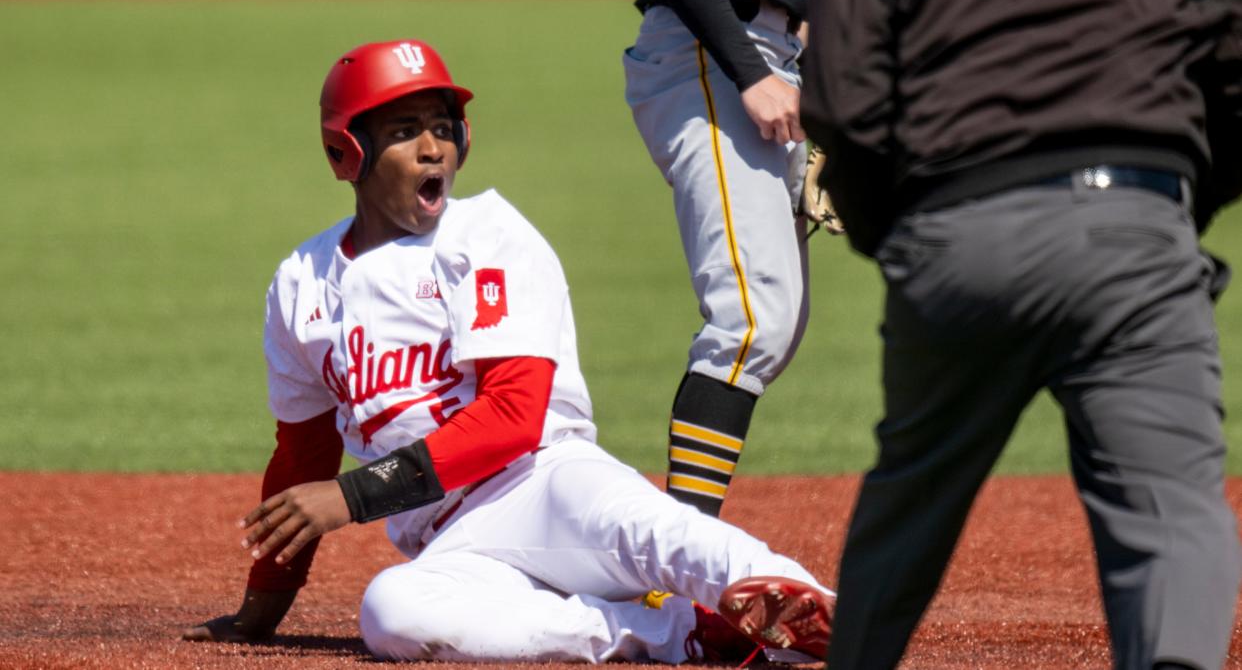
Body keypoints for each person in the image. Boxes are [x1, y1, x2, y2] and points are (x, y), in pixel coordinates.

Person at [179, 38, 835, 663]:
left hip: (546, 480)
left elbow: (514, 415)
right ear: (346, 154)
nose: (434, 147)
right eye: (405, 131)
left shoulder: (487, 232)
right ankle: (674, 632)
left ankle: (812, 605)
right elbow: (303, 457)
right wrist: (257, 613)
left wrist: (352, 495)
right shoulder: (301, 281)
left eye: (443, 126)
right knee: (391, 613)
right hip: (453, 544)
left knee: (652, 529)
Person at [799, 0, 1242, 667]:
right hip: (1136, 231)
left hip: (959, 234)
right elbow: (1233, 66)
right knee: (1172, 513)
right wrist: (1181, 201)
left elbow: (841, 102)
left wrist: (896, 238)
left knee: (912, 498)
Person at [621, 0, 835, 518]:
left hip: (779, 51)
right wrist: (751, 73)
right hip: (711, 52)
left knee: (780, 324)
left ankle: (676, 561)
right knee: (752, 320)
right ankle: (675, 572)